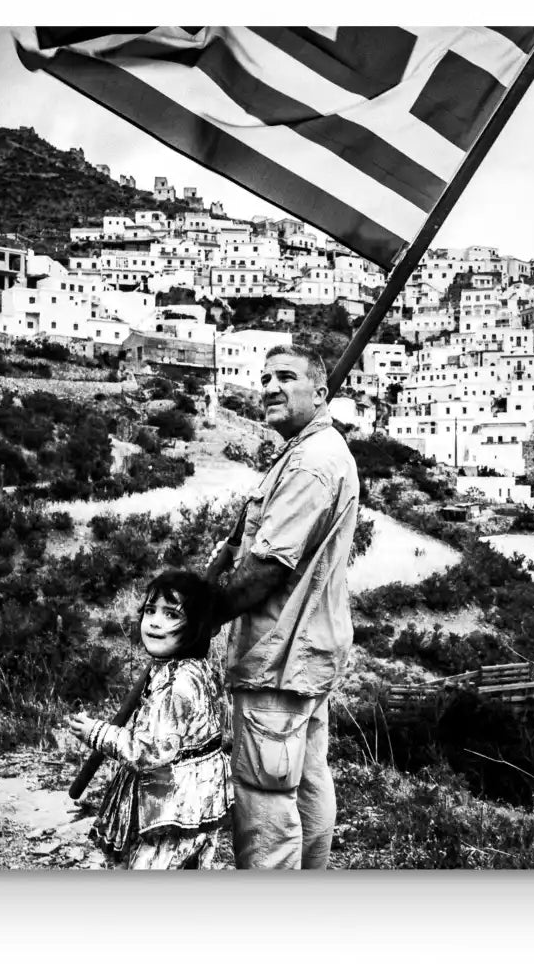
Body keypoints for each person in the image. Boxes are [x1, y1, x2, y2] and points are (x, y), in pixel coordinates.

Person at [205, 344, 359, 869]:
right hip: (308, 653)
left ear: (321, 392)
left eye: (285, 377)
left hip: (281, 656)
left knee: (265, 797)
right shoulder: (311, 451)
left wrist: (201, 617)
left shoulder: (312, 462)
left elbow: (268, 567)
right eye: (264, 376)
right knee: (308, 777)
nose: (269, 386)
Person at [66, 570, 233, 869]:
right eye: (150, 611)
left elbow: (148, 751)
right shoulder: (190, 669)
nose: (155, 621)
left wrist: (96, 733)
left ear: (196, 626)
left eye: (171, 614)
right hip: (195, 801)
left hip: (174, 809)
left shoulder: (178, 684)